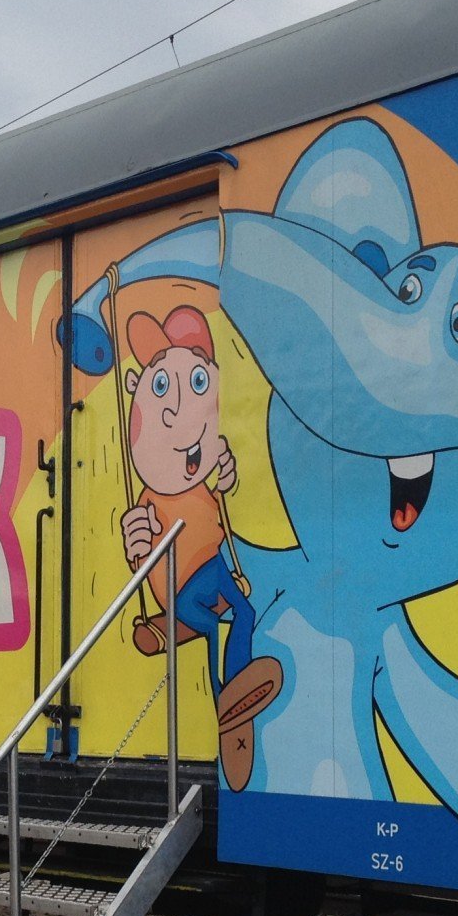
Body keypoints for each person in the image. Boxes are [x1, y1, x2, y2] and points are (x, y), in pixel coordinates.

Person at [117, 304, 280, 791]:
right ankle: (224, 702)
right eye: (162, 389)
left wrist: (226, 472)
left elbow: (220, 500)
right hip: (180, 588)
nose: (177, 411)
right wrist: (135, 540)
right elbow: (138, 548)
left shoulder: (203, 484)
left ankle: (238, 690)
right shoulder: (147, 502)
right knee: (209, 626)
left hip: (213, 567)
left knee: (245, 615)